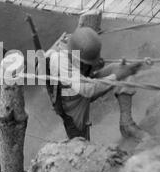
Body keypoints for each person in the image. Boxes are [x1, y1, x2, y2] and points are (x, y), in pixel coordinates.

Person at [46, 14, 147, 142]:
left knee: (122, 68)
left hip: (84, 81)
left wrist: (117, 71)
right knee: (80, 141)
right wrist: (116, 76)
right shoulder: (60, 60)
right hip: (69, 98)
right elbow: (87, 89)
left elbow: (92, 67)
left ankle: (127, 123)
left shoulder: (82, 42)